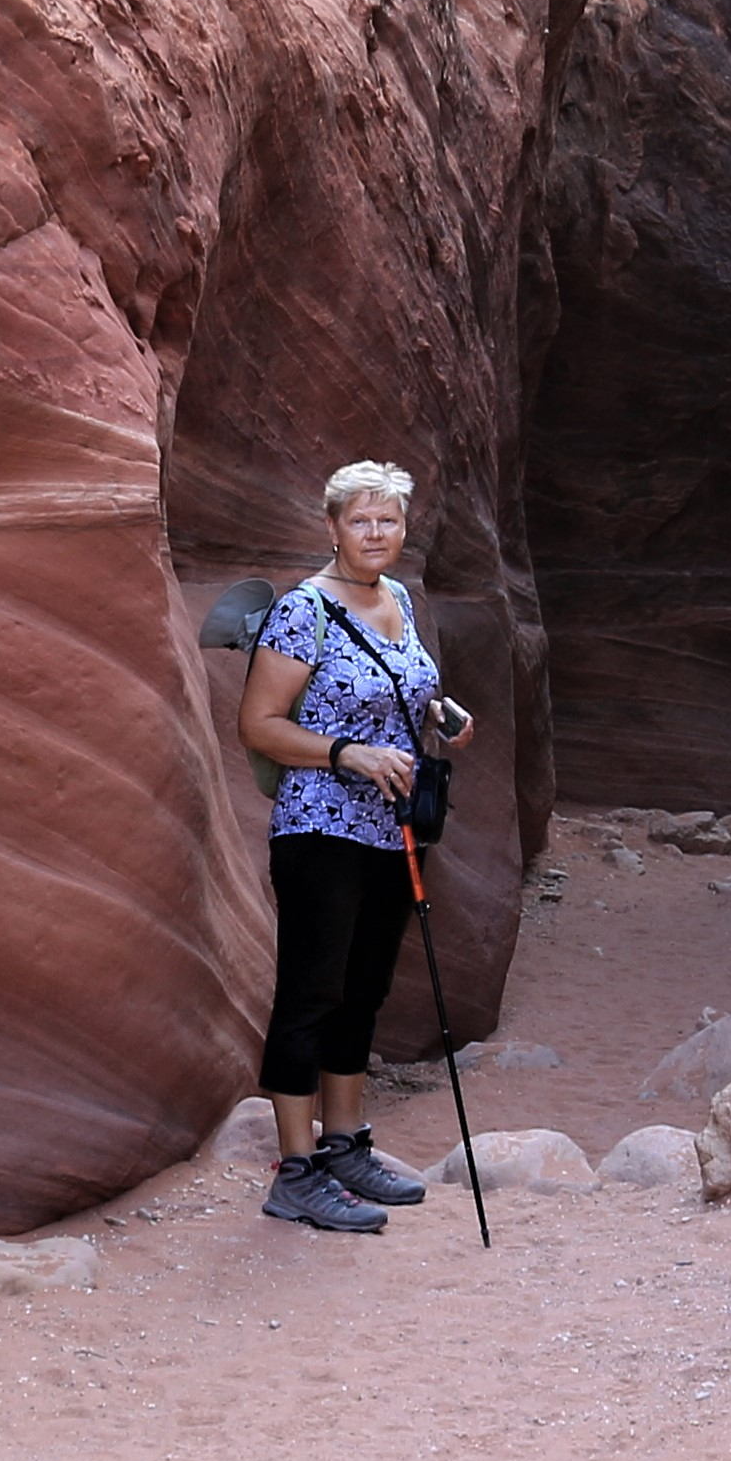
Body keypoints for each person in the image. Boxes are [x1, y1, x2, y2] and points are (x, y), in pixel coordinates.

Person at [236, 460, 475, 1234]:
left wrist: (440, 711)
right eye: (361, 521)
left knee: (364, 988)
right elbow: (260, 724)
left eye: (390, 521)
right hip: (321, 827)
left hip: (392, 828)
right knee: (311, 991)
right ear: (333, 526)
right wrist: (350, 755)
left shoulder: (396, 599)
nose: (377, 535)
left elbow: (398, 686)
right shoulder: (303, 611)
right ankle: (295, 1171)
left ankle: (344, 1146)